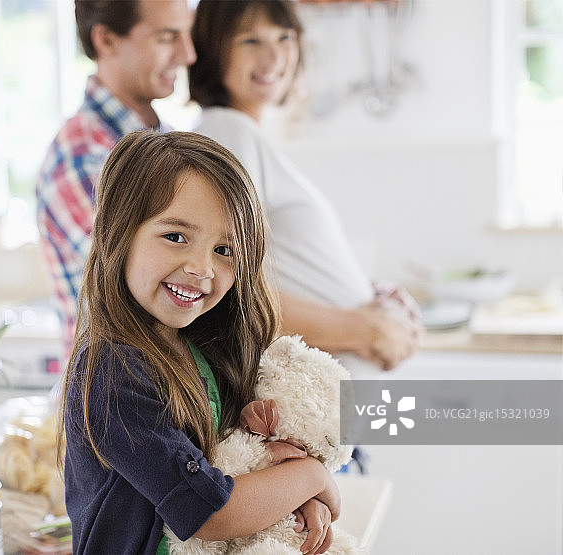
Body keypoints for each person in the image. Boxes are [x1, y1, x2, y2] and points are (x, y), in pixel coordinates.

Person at [61, 130, 341, 555]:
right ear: (120, 234)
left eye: (225, 249)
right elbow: (209, 512)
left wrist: (297, 501)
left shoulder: (200, 348)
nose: (201, 267)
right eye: (175, 236)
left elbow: (235, 464)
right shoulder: (113, 372)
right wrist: (312, 478)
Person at [189, 0, 423, 378]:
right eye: (250, 41)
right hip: (312, 412)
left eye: (284, 37)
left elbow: (282, 268)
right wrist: (370, 329)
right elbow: (229, 294)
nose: (273, 56)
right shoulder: (226, 132)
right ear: (213, 50)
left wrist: (371, 296)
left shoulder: (243, 134)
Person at [36, 0, 196, 361]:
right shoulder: (83, 161)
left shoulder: (166, 140)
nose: (189, 54)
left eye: (187, 34)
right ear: (107, 40)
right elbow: (142, 300)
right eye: (167, 37)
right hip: (116, 402)